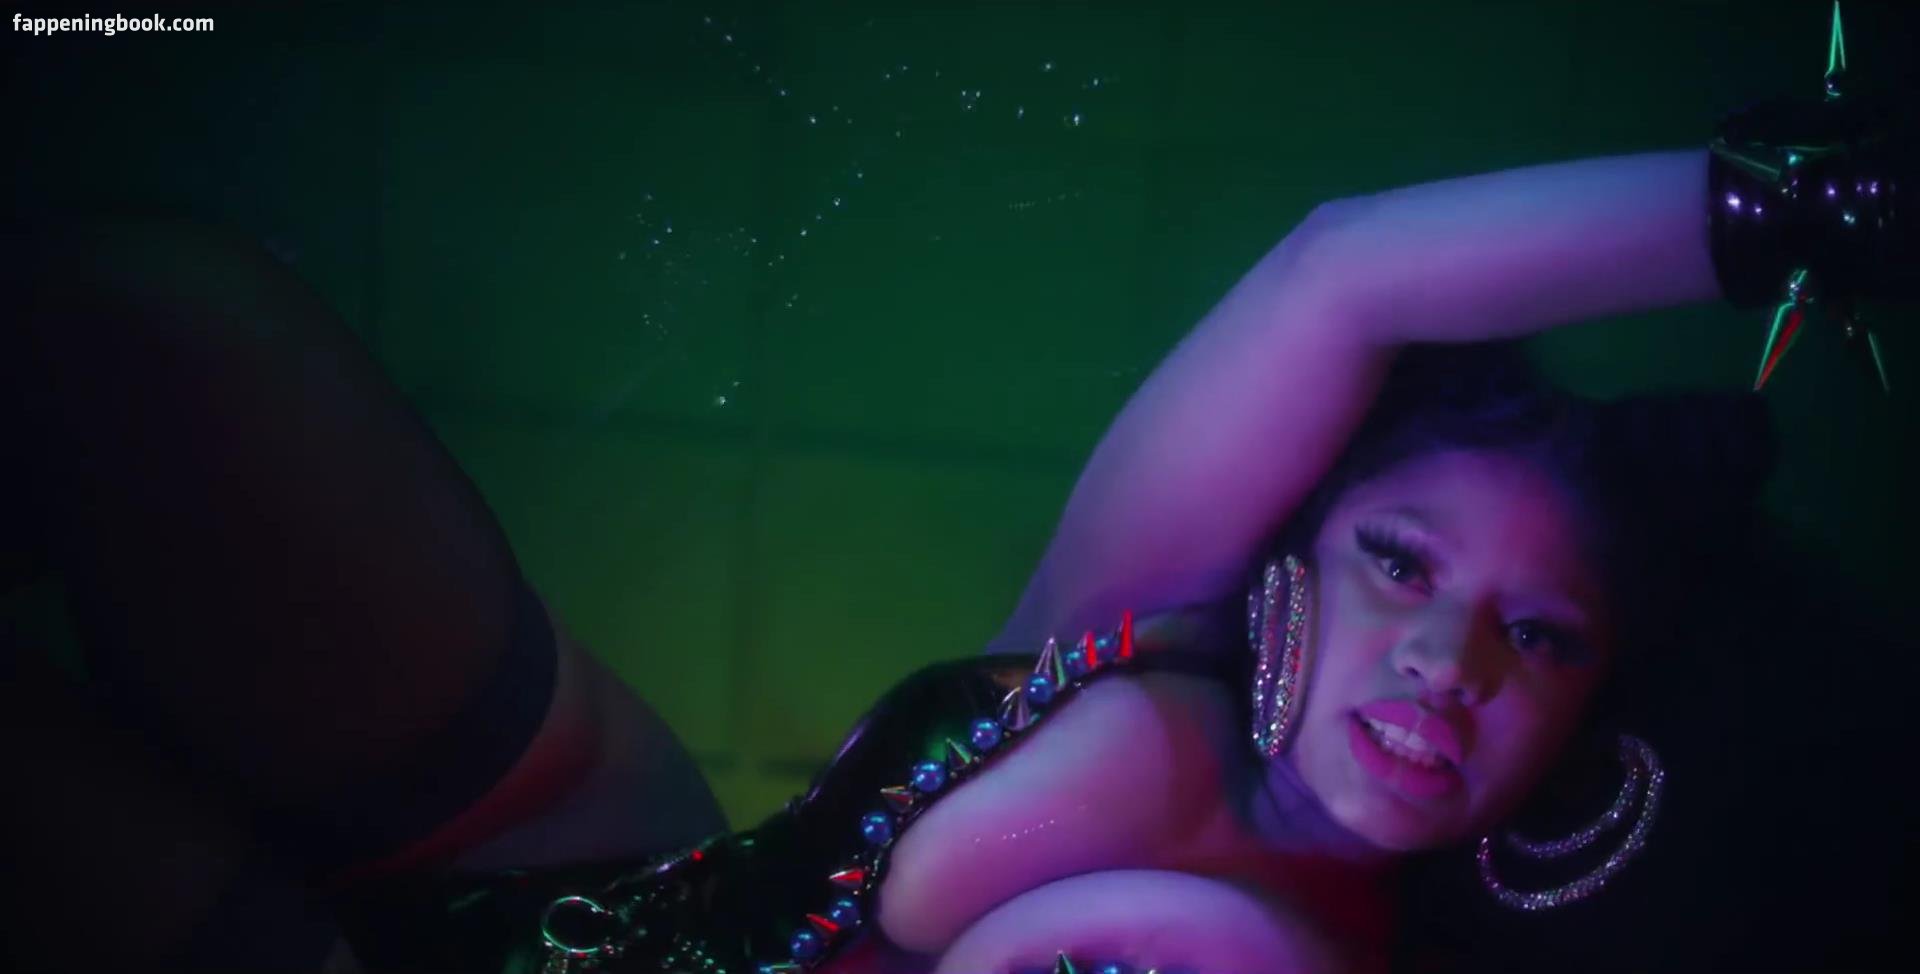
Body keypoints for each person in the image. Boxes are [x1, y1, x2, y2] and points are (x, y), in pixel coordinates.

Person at [2, 88, 1910, 973]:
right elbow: (1346, 273)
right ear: (1304, 560)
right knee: (154, 319)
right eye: (1402, 561)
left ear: (1592, 725)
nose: (1446, 657)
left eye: (1540, 633)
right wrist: (1810, 204)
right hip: (567, 856)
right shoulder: (1146, 623)